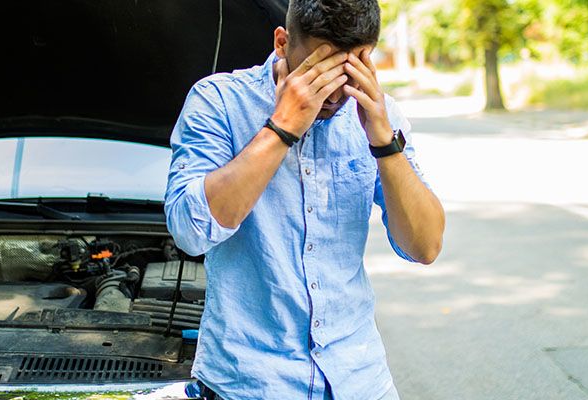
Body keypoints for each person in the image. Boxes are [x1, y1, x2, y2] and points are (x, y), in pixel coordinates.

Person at [164, 0, 445, 398]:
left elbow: (426, 246)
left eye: (347, 72)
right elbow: (191, 232)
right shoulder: (218, 102)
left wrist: (385, 143)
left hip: (359, 379)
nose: (332, 93)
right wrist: (282, 127)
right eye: (317, 71)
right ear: (281, 42)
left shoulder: (382, 117)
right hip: (249, 385)